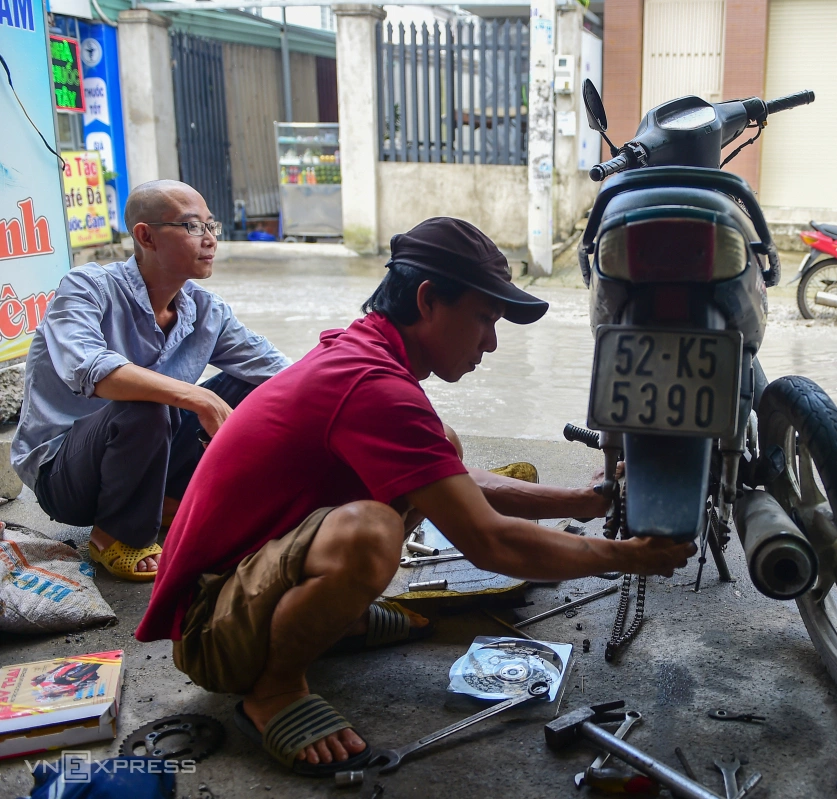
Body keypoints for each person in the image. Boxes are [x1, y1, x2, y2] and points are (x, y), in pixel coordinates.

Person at [134, 217, 696, 777]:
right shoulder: (371, 385)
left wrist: (584, 500)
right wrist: (627, 559)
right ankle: (274, 689)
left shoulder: (368, 356)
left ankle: (334, 616)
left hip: (246, 584)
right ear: (428, 300)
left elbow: (450, 483)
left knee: (439, 446)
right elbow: (490, 542)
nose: (491, 343)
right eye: (483, 319)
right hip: (212, 632)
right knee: (369, 533)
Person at [10, 180, 289, 582]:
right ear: (146, 236)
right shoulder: (86, 288)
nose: (210, 240)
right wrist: (199, 399)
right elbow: (93, 370)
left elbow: (281, 370)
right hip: (67, 475)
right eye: (193, 227)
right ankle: (116, 533)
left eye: (213, 227)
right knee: (147, 402)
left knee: (261, 387)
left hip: (154, 450)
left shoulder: (205, 309)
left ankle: (168, 502)